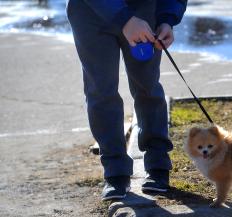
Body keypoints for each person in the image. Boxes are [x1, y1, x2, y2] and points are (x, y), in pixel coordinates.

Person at [66, 0, 187, 200]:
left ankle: (158, 166)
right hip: (90, 11)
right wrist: (125, 19)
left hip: (145, 8)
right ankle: (115, 172)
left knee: (147, 86)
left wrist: (167, 18)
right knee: (101, 91)